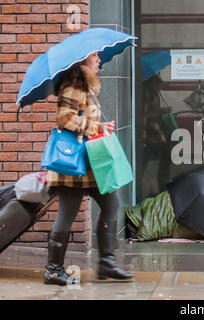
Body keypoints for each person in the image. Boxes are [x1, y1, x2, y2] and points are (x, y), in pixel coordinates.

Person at [44, 51, 134, 286]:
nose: (99, 60)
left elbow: (84, 119)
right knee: (67, 215)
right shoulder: (73, 85)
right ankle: (53, 270)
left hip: (92, 165)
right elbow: (64, 118)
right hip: (73, 167)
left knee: (111, 204)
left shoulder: (86, 87)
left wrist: (101, 125)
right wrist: (94, 127)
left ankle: (107, 262)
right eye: (94, 57)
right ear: (83, 61)